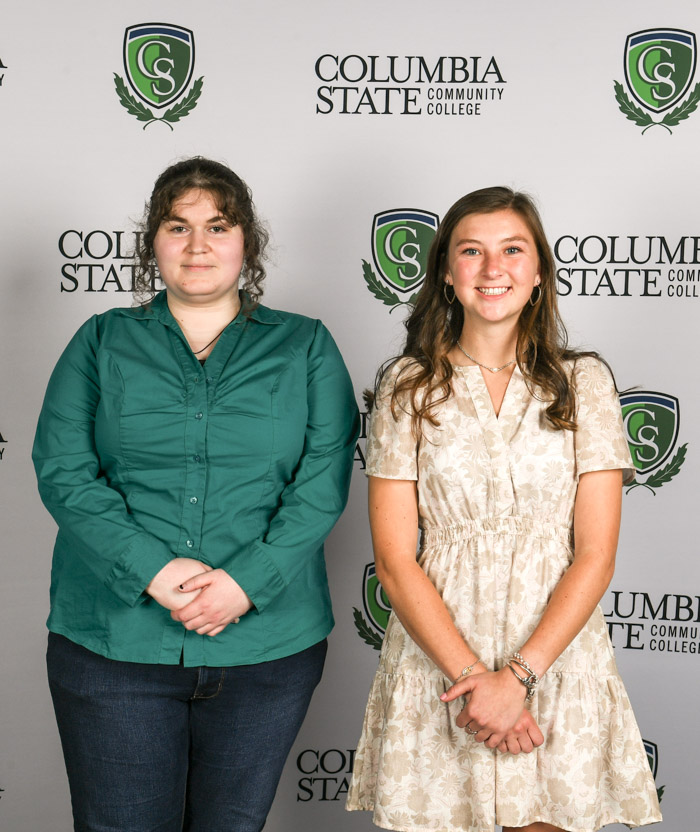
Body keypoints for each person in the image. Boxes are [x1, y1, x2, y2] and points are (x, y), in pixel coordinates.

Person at [33, 157, 360, 832]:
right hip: (113, 648)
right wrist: (152, 569)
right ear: (153, 241)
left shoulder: (306, 348)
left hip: (266, 650)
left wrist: (248, 581)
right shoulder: (100, 342)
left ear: (248, 242)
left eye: (218, 225)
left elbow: (322, 483)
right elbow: (64, 472)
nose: (198, 244)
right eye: (177, 226)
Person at [346, 187, 661, 832]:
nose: (494, 269)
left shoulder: (585, 384)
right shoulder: (407, 388)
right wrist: (476, 681)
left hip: (555, 662)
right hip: (442, 669)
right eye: (472, 251)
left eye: (512, 249)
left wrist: (518, 679)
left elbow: (596, 554)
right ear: (446, 273)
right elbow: (394, 559)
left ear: (539, 270)